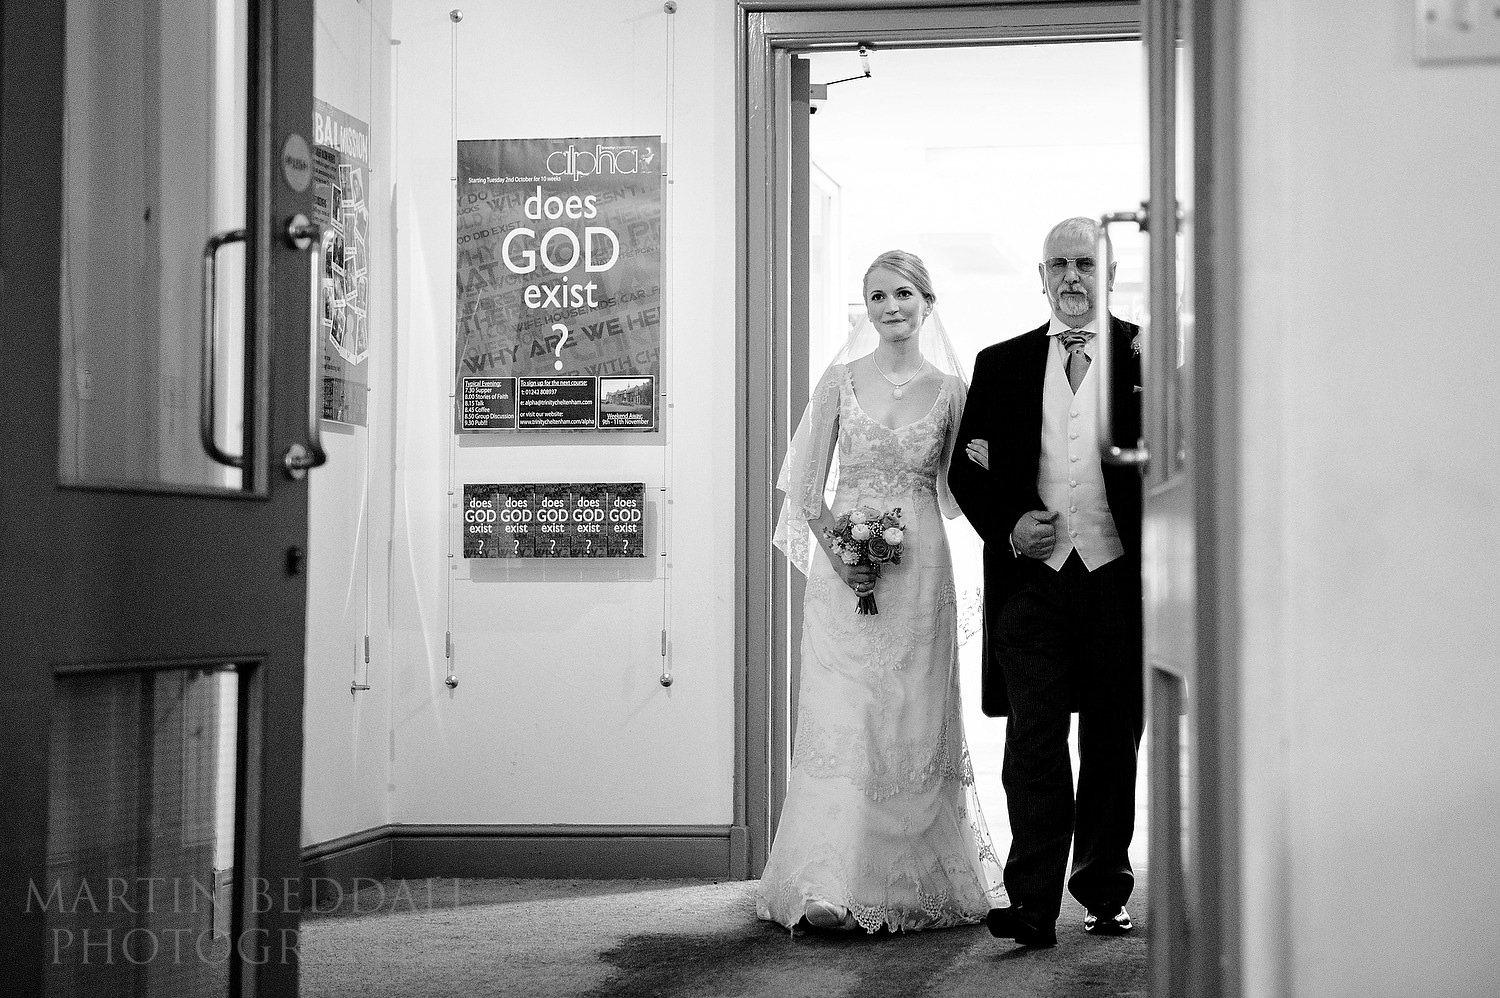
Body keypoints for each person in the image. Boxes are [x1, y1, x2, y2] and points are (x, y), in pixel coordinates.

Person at [757, 250, 1004, 934]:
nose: (890, 306)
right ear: (865, 308)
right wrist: (842, 556)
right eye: (876, 296)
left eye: (903, 293)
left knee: (910, 717)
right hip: (846, 578)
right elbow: (805, 488)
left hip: (922, 569)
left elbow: (966, 489)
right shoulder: (838, 381)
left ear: (928, 302)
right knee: (846, 718)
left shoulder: (954, 392)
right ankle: (828, 881)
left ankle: (909, 883)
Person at [947, 217, 1144, 948]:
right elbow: (968, 470)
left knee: (1111, 739)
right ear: (1040, 276)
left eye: (1085, 264)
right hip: (1033, 584)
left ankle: (1102, 888)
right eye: (1058, 263)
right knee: (1034, 737)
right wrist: (1009, 524)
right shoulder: (1000, 363)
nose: (1071, 276)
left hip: (1118, 579)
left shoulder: (1147, 355)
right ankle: (1031, 902)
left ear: (1109, 274)